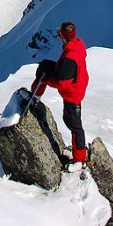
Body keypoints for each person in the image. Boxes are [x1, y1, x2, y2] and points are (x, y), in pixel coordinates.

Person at [31, 21, 89, 171]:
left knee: (73, 123)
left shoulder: (70, 57)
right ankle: (35, 96)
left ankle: (79, 159)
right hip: (76, 85)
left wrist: (47, 80)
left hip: (73, 93)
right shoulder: (76, 46)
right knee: (44, 66)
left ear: (63, 36)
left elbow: (63, 83)